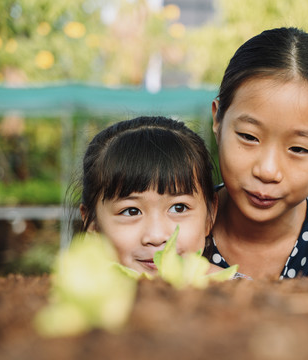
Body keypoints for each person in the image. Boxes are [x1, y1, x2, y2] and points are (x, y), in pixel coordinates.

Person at [209, 27, 308, 280]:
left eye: (298, 149)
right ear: (218, 120)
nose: (267, 171)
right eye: (249, 137)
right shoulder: (165, 231)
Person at [73, 116, 220, 277]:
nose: (156, 237)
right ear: (92, 224)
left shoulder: (240, 293)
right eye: (131, 211)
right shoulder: (69, 296)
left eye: (179, 208)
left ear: (209, 216)